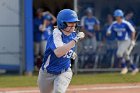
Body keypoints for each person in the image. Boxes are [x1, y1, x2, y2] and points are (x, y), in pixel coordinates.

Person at [37, 9, 85, 93]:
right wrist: (75, 40)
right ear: (62, 23)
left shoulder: (74, 34)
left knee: (59, 91)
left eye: (74, 22)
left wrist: (71, 52)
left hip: (64, 71)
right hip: (47, 73)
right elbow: (58, 52)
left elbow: (68, 45)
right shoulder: (55, 35)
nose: (73, 25)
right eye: (70, 23)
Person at [107, 9, 139, 75]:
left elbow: (133, 31)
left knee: (119, 53)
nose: (116, 17)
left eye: (117, 16)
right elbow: (109, 31)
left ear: (120, 16)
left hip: (126, 41)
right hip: (119, 41)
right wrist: (109, 32)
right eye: (115, 16)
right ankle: (134, 68)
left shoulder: (126, 23)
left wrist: (132, 40)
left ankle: (124, 68)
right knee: (126, 56)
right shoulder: (114, 24)